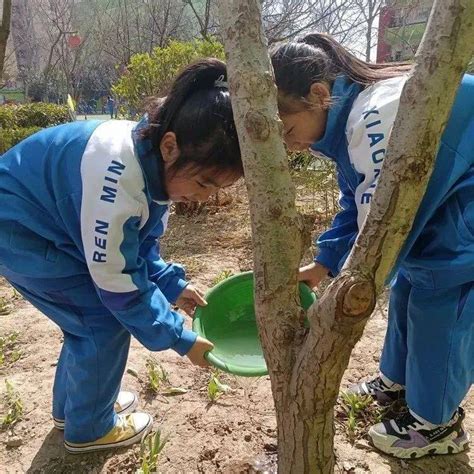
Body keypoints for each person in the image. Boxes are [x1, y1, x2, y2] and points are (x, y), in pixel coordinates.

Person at [0, 59, 241, 453]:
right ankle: (90, 428)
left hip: (43, 222)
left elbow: (138, 246)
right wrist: (180, 338)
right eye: (202, 183)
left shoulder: (150, 161)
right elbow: (119, 285)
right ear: (170, 146)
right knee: (99, 322)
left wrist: (173, 285)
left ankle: (73, 410)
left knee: (84, 323)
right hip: (19, 230)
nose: (203, 197)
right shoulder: (117, 181)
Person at [271, 33, 473, 459]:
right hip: (451, 189)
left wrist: (342, 300)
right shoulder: (347, 119)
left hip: (463, 203)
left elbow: (379, 233)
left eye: (287, 129)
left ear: (318, 94)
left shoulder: (371, 118)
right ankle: (398, 382)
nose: (288, 145)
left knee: (439, 291)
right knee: (407, 285)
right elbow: (359, 201)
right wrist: (324, 264)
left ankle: (438, 424)